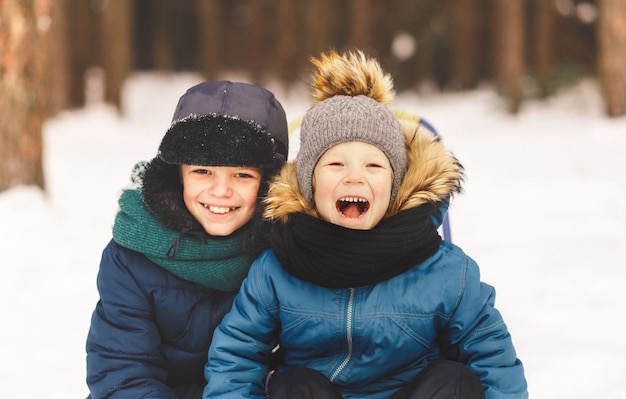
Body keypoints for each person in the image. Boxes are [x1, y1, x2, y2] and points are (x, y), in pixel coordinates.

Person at [203, 50, 528, 399]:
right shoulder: (278, 268)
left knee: (454, 380)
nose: (354, 177)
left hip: (409, 391)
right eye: (336, 165)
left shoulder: (445, 270)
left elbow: (491, 355)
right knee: (295, 386)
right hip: (321, 392)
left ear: (395, 183)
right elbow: (237, 354)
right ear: (310, 184)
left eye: (373, 166)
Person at [85, 80, 289, 399]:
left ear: (269, 184)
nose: (220, 191)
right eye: (202, 172)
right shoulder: (133, 253)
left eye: (242, 175)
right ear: (178, 174)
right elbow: (122, 371)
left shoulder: (288, 250)